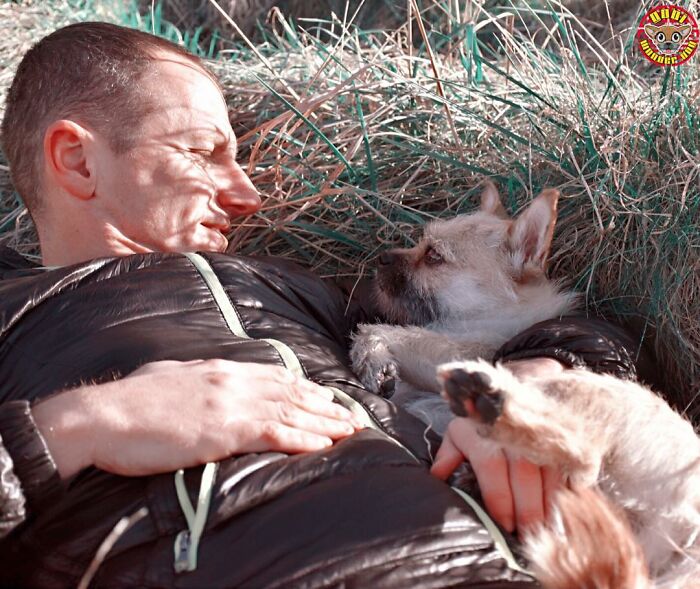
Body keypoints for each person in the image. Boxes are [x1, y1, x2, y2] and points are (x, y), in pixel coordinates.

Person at [0, 22, 655, 587]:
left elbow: (592, 336)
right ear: (78, 162)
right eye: (204, 152)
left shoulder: (298, 290)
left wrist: (526, 395)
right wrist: (81, 425)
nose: (247, 194)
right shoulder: (13, 309)